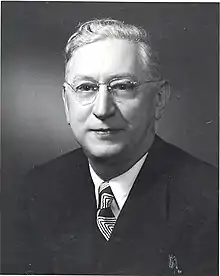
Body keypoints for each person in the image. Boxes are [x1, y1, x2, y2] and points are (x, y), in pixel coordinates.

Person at [13, 19, 217, 275]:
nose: (102, 109)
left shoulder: (210, 198)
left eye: (122, 86)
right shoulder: (37, 189)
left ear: (159, 99)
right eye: (85, 88)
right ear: (66, 103)